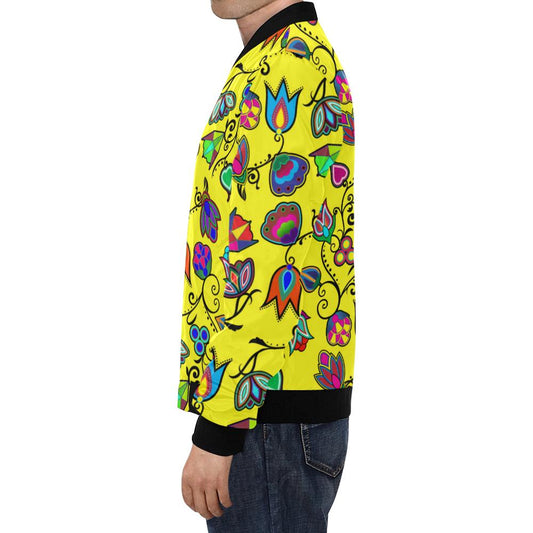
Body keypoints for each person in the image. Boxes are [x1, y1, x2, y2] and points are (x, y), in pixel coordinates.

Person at [178, 1, 355, 530]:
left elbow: (270, 259)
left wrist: (221, 427)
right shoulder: (271, 58)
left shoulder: (290, 65)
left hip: (264, 410)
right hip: (263, 407)